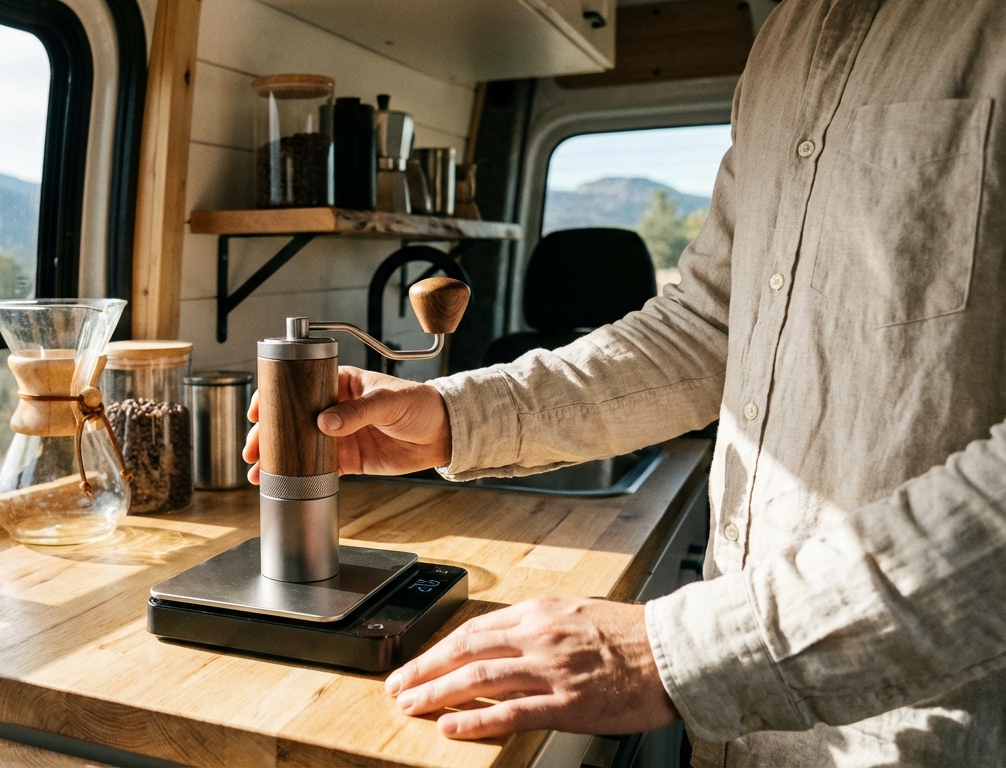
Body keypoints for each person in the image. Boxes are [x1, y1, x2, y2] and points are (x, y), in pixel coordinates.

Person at [242, 1, 1006, 764]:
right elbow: (706, 329)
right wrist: (450, 414)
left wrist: (676, 652)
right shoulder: (784, 43)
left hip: (934, 726)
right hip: (746, 738)